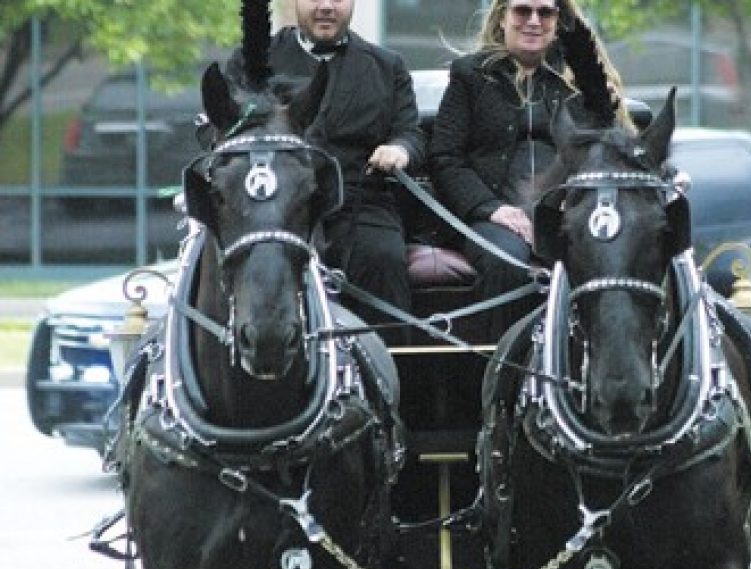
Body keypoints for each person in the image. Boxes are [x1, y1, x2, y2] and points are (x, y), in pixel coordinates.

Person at [428, 0, 628, 333]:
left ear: (557, 21)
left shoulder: (580, 78)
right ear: (502, 18)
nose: (534, 21)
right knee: (504, 260)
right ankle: (500, 373)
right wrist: (492, 209)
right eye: (523, 11)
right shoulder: (470, 76)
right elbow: (445, 158)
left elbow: (608, 149)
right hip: (494, 216)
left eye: (545, 13)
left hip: (569, 213)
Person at [229, 0, 425, 328]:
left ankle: (390, 372)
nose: (326, 6)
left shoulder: (387, 66)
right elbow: (218, 129)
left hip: (360, 204)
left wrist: (400, 149)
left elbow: (411, 133)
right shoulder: (253, 62)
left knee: (384, 259)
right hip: (274, 209)